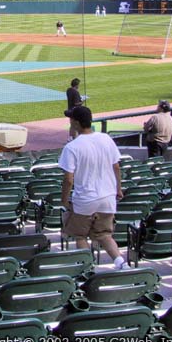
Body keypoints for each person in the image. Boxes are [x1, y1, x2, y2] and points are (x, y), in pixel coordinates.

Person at [59, 106, 129, 270]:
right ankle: (121, 263)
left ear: (76, 122)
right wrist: (118, 188)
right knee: (104, 234)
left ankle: (87, 268)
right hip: (107, 197)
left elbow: (68, 179)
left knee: (80, 235)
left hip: (85, 199)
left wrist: (64, 200)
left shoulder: (72, 147)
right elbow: (116, 166)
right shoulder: (106, 139)